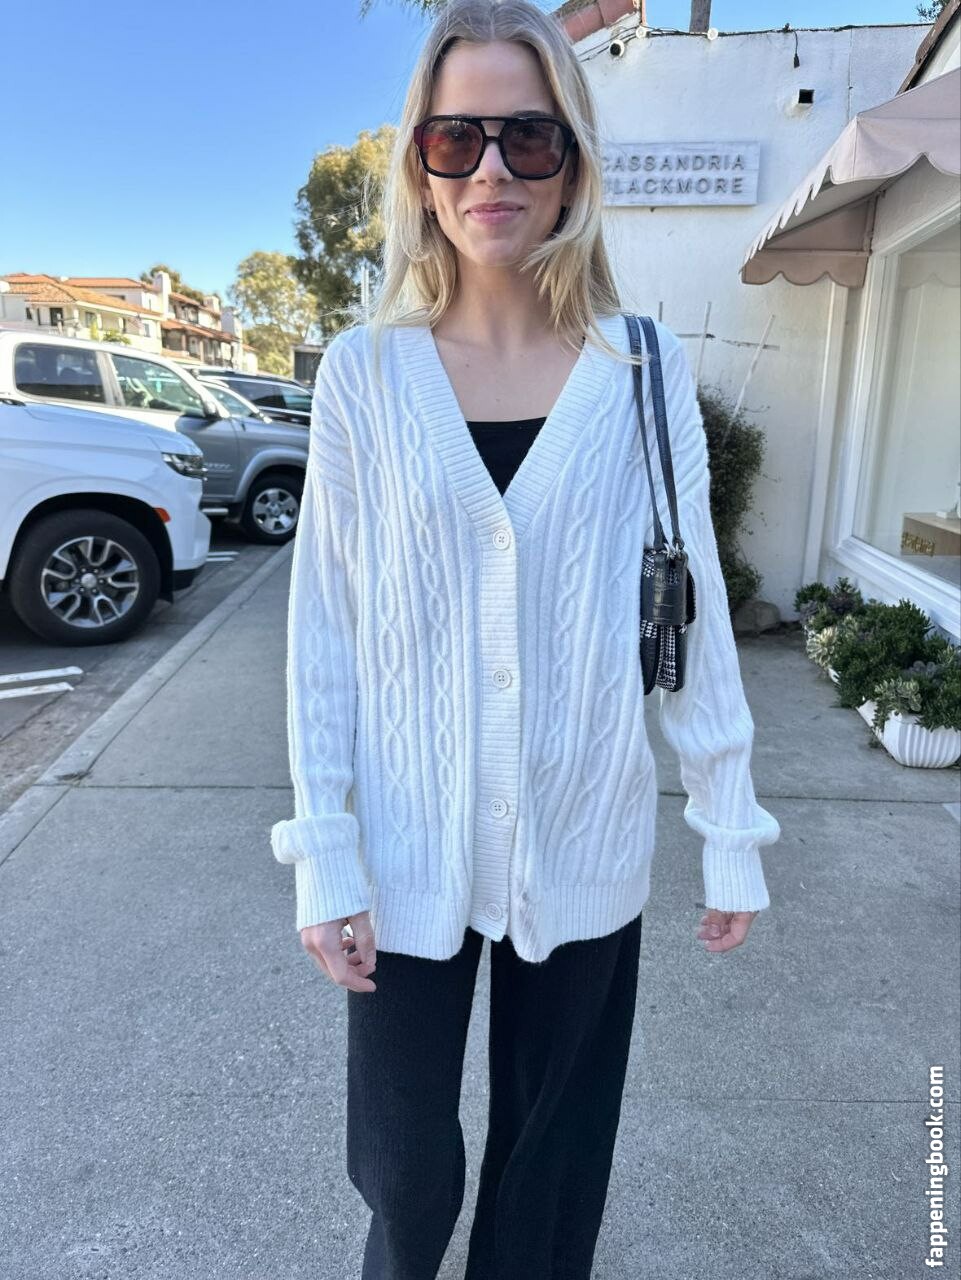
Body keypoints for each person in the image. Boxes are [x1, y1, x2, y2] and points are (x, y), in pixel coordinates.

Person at [270, 1, 781, 1276]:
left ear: (572, 161)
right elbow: (325, 626)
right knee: (403, 1176)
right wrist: (323, 848)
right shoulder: (363, 376)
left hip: (586, 825)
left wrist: (728, 821)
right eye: (456, 139)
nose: (490, 169)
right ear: (418, 165)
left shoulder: (641, 373)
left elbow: (689, 609)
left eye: (527, 137)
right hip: (406, 840)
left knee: (550, 1180)